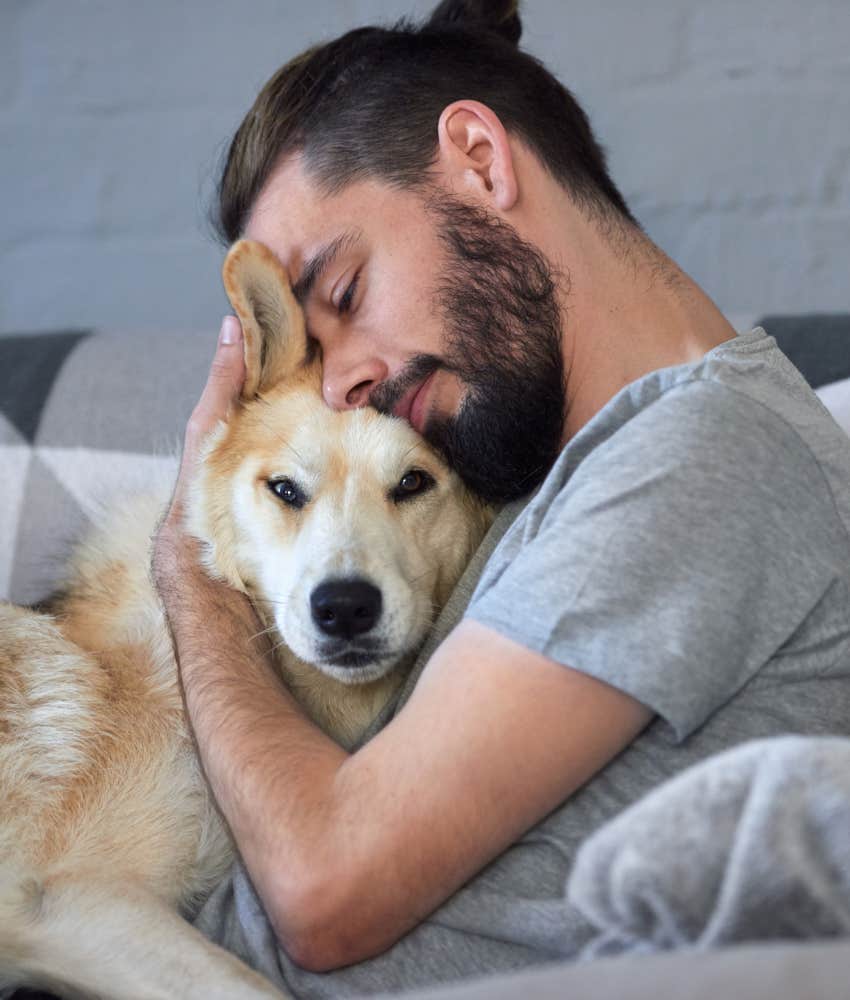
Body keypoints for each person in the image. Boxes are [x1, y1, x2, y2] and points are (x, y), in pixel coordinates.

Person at [151, 0, 850, 996]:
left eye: (343, 293)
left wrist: (187, 559)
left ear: (480, 158)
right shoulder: (547, 473)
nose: (340, 381)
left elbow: (323, 889)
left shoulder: (699, 453)